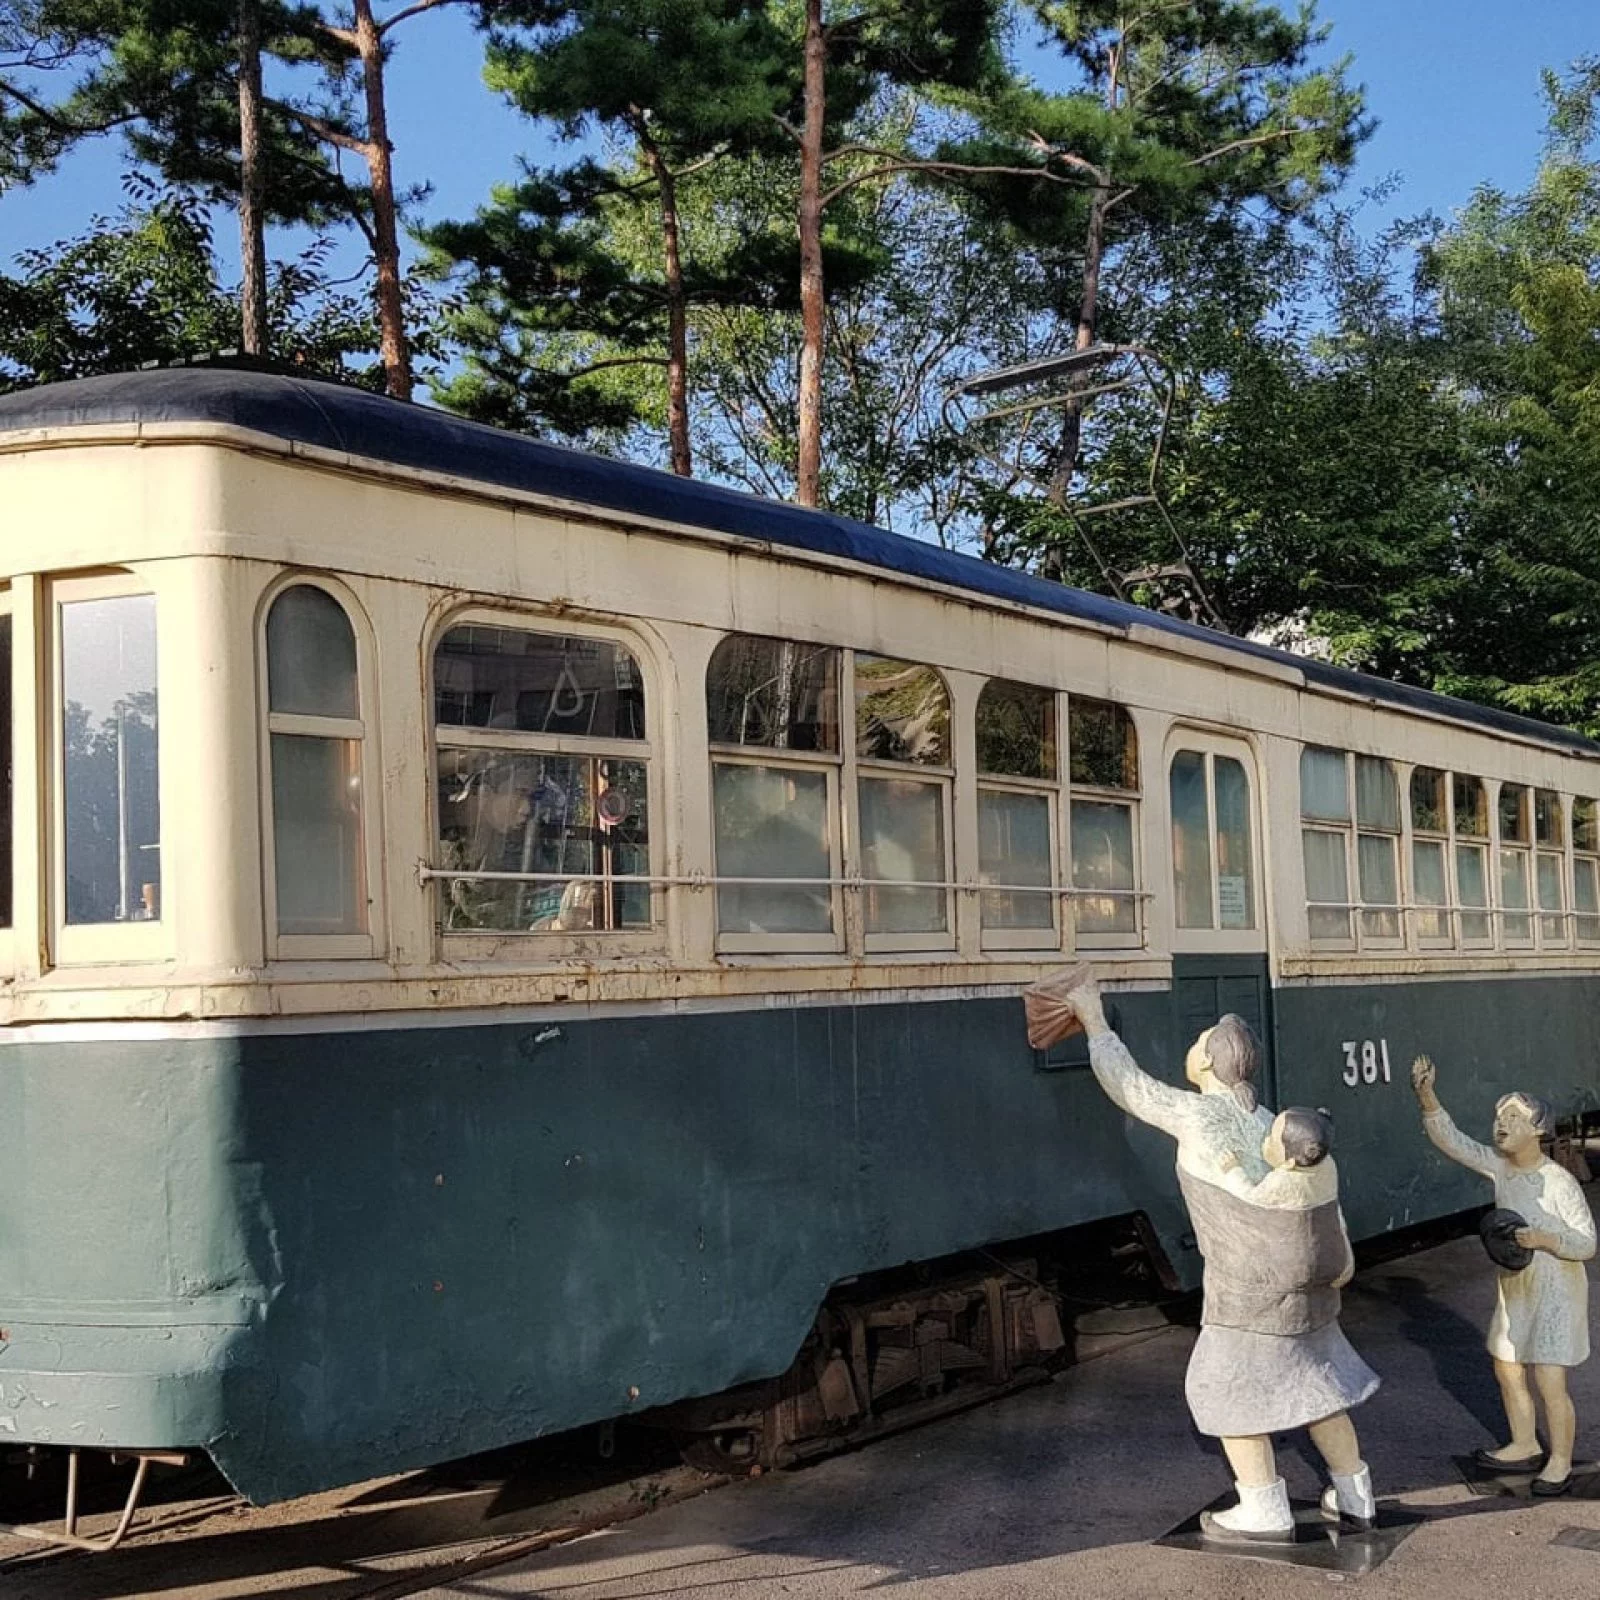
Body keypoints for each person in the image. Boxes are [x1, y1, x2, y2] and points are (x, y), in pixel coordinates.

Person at [1036, 965, 1380, 1542]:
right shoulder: (1270, 1119)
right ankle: (1355, 1491)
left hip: (1246, 1290)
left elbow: (1130, 1086)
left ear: (1209, 1064)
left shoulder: (1198, 1115)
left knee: (1225, 1389)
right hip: (1309, 1289)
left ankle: (1262, 1507)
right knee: (1317, 1386)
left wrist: (1094, 1020)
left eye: (1198, 1047)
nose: (1191, 1052)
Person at [1412, 1054, 1596, 1494]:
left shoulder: (1558, 1183)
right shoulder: (1500, 1167)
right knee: (1508, 1366)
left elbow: (1588, 1243)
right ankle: (1524, 1442)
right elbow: (1454, 1142)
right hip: (1517, 1287)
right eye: (1499, 1117)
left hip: (1557, 1287)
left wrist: (1546, 1240)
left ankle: (1561, 1461)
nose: (1501, 1125)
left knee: (1550, 1377)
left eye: (1513, 1118)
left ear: (1538, 1129)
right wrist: (1426, 1095)